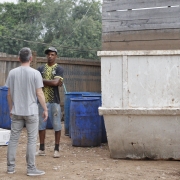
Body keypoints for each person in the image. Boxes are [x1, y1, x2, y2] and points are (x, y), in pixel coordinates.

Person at [5, 47, 48, 176]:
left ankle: (10, 168)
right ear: (31, 59)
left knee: (13, 139)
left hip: (17, 111)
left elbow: (9, 94)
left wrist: (11, 108)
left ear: (19, 58)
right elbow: (39, 93)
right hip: (31, 112)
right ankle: (31, 168)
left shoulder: (12, 73)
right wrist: (45, 109)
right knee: (31, 140)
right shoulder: (35, 74)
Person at [36, 47, 64, 158]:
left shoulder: (59, 69)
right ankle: (42, 148)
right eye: (48, 54)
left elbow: (56, 82)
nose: (50, 56)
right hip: (42, 101)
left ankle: (56, 149)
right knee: (41, 125)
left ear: (56, 56)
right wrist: (53, 82)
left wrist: (41, 81)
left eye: (52, 54)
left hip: (54, 101)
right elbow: (54, 82)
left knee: (57, 125)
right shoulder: (40, 68)